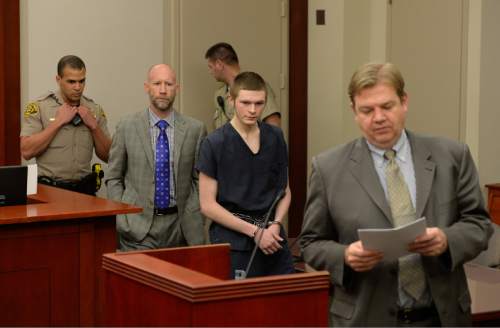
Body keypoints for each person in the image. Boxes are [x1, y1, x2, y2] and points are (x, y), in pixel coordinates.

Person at [299, 62, 493, 326]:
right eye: (367, 110)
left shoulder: (452, 156)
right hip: (366, 317)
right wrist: (344, 256)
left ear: (404, 102)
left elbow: (479, 225)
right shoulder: (328, 168)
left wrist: (447, 240)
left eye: (387, 106)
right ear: (354, 111)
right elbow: (311, 243)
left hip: (441, 317)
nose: (378, 117)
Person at [197, 71, 294, 279]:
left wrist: (276, 224)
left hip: (273, 236)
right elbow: (207, 205)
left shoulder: (275, 137)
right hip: (234, 242)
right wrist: (255, 232)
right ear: (231, 100)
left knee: (283, 305)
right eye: (246, 102)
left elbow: (284, 191)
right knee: (240, 309)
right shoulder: (215, 143)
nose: (253, 110)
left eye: (259, 103)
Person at [106, 64, 206, 251]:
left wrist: (197, 214)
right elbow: (113, 177)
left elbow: (199, 180)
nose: (162, 90)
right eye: (157, 83)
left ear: (177, 88)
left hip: (182, 228)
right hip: (137, 228)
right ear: (147, 87)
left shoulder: (195, 129)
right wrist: (122, 218)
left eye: (168, 84)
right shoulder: (127, 126)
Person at [20, 55, 111, 195]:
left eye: (82, 81)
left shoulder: (94, 109)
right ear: (58, 79)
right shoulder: (40, 107)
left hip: (84, 192)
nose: (78, 87)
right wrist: (57, 123)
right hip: (50, 191)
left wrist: (94, 126)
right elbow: (26, 151)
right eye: (71, 82)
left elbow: (109, 156)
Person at [205, 42, 281, 129]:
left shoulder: (255, 86)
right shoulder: (220, 94)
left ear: (219, 64)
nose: (210, 72)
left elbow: (273, 126)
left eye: (210, 67)